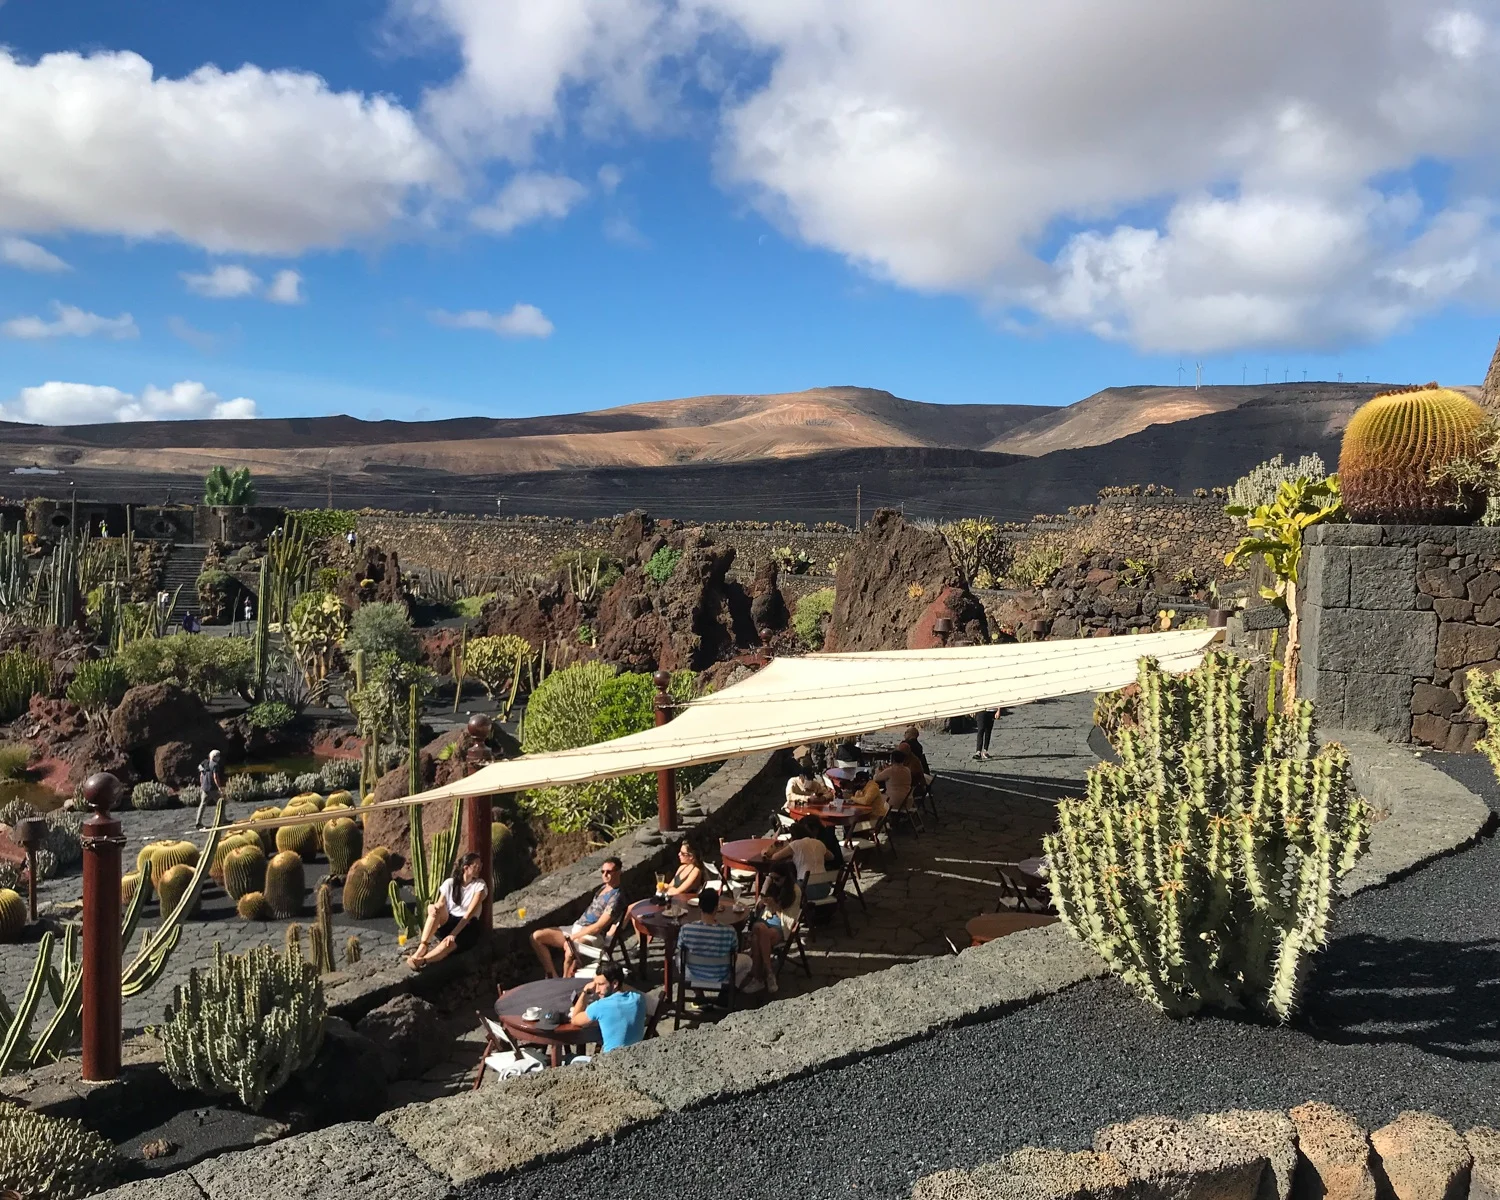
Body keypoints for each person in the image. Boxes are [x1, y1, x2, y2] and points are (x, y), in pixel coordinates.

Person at [532, 857, 624, 978]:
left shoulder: (616, 897)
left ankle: (564, 981)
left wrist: (573, 938)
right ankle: (553, 975)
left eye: (609, 871)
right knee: (536, 937)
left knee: (571, 950)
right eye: (603, 872)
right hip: (577, 927)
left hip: (594, 936)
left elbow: (598, 927)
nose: (605, 875)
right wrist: (573, 934)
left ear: (618, 872)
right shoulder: (603, 888)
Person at [409, 853, 488, 969]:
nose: (479, 868)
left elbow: (469, 914)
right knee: (436, 909)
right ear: (466, 868)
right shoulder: (450, 883)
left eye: (480, 865)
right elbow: (440, 904)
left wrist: (453, 934)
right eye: (476, 866)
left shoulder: (479, 885)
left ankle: (422, 961)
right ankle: (422, 946)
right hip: (450, 921)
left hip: (467, 926)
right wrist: (432, 907)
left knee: (448, 944)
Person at [676, 887, 751, 990]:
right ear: (716, 907)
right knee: (748, 962)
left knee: (678, 958)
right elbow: (735, 955)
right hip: (721, 975)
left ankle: (698, 994)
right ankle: (727, 992)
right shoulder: (729, 931)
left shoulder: (686, 929)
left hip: (694, 975)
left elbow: (681, 950)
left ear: (699, 906)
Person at [569, 961, 646, 1051]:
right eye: (595, 984)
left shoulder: (599, 1006)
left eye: (600, 984)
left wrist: (585, 991)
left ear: (614, 983)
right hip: (636, 1056)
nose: (597, 990)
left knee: (569, 1058)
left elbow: (574, 1019)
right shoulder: (638, 998)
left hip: (610, 1060)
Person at [744, 874, 798, 995]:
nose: (774, 881)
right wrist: (762, 903)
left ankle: (758, 978)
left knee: (757, 935)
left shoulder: (792, 893)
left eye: (777, 878)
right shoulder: (770, 886)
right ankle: (769, 974)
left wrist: (776, 908)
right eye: (772, 878)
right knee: (759, 931)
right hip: (763, 927)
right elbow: (757, 910)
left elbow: (790, 922)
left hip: (778, 929)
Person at [771, 815, 833, 896]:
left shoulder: (795, 844)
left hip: (806, 889)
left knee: (785, 882)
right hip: (824, 889)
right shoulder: (818, 842)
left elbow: (774, 857)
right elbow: (831, 857)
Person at [195, 749, 225, 829]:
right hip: (213, 788)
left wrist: (202, 784)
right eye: (218, 756)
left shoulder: (204, 763)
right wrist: (219, 787)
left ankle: (198, 822)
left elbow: (201, 775)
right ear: (215, 757)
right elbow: (215, 777)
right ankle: (223, 819)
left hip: (205, 788)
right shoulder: (215, 765)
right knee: (221, 802)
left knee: (202, 805)